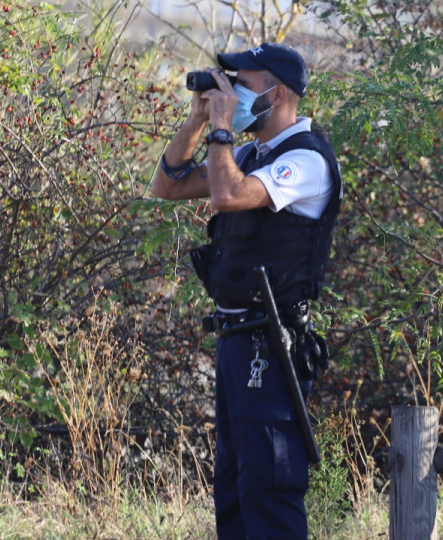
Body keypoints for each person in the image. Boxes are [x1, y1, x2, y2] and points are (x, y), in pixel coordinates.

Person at [150, 42, 342, 539]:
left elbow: (227, 194)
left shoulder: (307, 161)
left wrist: (220, 128)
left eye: (242, 85)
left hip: (272, 345)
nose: (231, 94)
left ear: (276, 94)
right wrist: (197, 120)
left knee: (268, 485)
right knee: (234, 486)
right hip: (237, 340)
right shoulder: (255, 153)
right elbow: (167, 186)